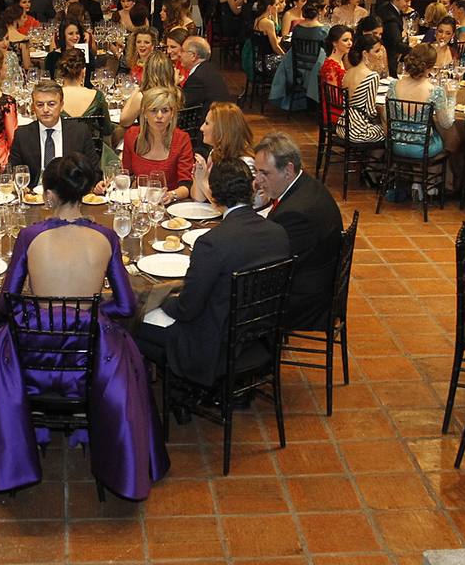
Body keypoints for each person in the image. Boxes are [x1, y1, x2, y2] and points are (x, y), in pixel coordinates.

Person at [0, 151, 168, 498]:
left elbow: (7, 302)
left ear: (50, 195)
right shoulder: (107, 237)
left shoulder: (29, 235)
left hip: (32, 355)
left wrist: (40, 306)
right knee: (129, 359)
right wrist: (90, 313)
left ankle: (0, 452)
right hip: (91, 360)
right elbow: (128, 304)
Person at [135, 158, 290, 387]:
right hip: (260, 336)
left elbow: (187, 309)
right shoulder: (278, 233)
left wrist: (161, 302)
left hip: (215, 346)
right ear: (251, 189)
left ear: (214, 197)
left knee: (131, 325)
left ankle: (159, 394)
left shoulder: (212, 243)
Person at [251, 133, 343, 330]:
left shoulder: (296, 213)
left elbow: (272, 265)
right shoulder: (305, 185)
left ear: (288, 169)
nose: (258, 181)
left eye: (264, 173)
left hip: (304, 302)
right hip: (315, 281)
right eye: (257, 172)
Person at [8, 81, 93, 187]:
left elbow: (94, 170)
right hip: (34, 195)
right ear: (33, 107)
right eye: (39, 105)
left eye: (51, 104)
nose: (45, 109)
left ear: (61, 105)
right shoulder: (22, 135)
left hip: (70, 194)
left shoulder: (80, 132)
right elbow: (13, 171)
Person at [120, 86, 194, 200]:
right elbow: (127, 175)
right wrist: (112, 183)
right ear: (144, 112)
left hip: (171, 205)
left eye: (165, 110)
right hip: (140, 202)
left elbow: (186, 185)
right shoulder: (132, 135)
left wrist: (171, 195)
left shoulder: (182, 139)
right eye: (154, 110)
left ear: (172, 113)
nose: (159, 116)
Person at [387, 43, 454, 164]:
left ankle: (408, 177)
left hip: (394, 144)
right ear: (431, 66)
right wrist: (451, 98)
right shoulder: (435, 91)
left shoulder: (393, 85)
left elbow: (391, 116)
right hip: (422, 148)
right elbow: (446, 124)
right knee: (448, 141)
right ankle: (421, 181)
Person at [190, 102, 252, 204]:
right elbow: (198, 199)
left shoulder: (245, 164)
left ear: (221, 129)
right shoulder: (214, 153)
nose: (201, 128)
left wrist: (202, 180)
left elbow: (229, 206)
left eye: (207, 123)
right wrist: (199, 176)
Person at [341, 34, 387, 145]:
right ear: (365, 54)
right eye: (377, 51)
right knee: (391, 132)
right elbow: (370, 112)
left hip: (343, 125)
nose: (380, 55)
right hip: (358, 130)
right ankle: (376, 161)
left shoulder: (348, 72)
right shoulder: (372, 76)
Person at [177, 37, 232, 111]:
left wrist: (175, 84)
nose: (179, 54)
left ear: (193, 56)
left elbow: (181, 104)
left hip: (213, 120)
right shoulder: (209, 68)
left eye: (182, 51)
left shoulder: (197, 78)